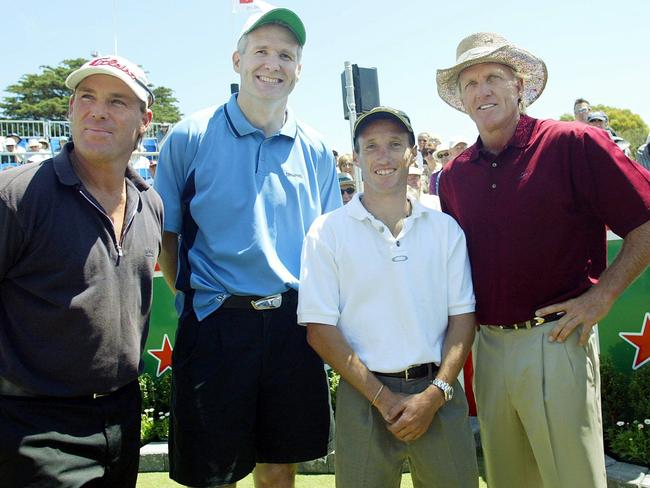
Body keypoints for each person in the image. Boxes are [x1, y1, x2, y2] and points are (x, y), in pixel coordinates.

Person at [436, 32, 650, 488]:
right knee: (508, 480)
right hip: (488, 349)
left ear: (519, 86)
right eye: (470, 82)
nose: (483, 90)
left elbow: (645, 222)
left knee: (572, 479)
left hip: (555, 339)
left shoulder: (574, 143)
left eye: (494, 77)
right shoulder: (453, 176)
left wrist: (601, 298)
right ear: (461, 98)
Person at [154, 7, 341, 488]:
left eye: (286, 54)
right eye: (260, 51)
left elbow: (327, 244)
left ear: (300, 69)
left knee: (279, 468)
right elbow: (166, 237)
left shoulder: (317, 147)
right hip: (216, 322)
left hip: (292, 325)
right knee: (211, 474)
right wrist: (195, 297)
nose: (272, 64)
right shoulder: (191, 135)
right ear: (236, 59)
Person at [0, 54, 162, 487]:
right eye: (86, 97)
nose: (98, 110)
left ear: (144, 119)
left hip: (122, 419)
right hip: (34, 426)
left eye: (117, 101)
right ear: (70, 109)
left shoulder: (151, 204)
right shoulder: (15, 197)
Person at [298, 106, 478, 488]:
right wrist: (382, 398)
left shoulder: (445, 230)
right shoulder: (327, 232)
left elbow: (463, 318)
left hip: (437, 394)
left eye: (395, 144)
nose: (384, 156)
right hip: (362, 396)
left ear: (412, 153)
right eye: (372, 146)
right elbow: (319, 330)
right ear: (357, 158)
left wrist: (436, 393)